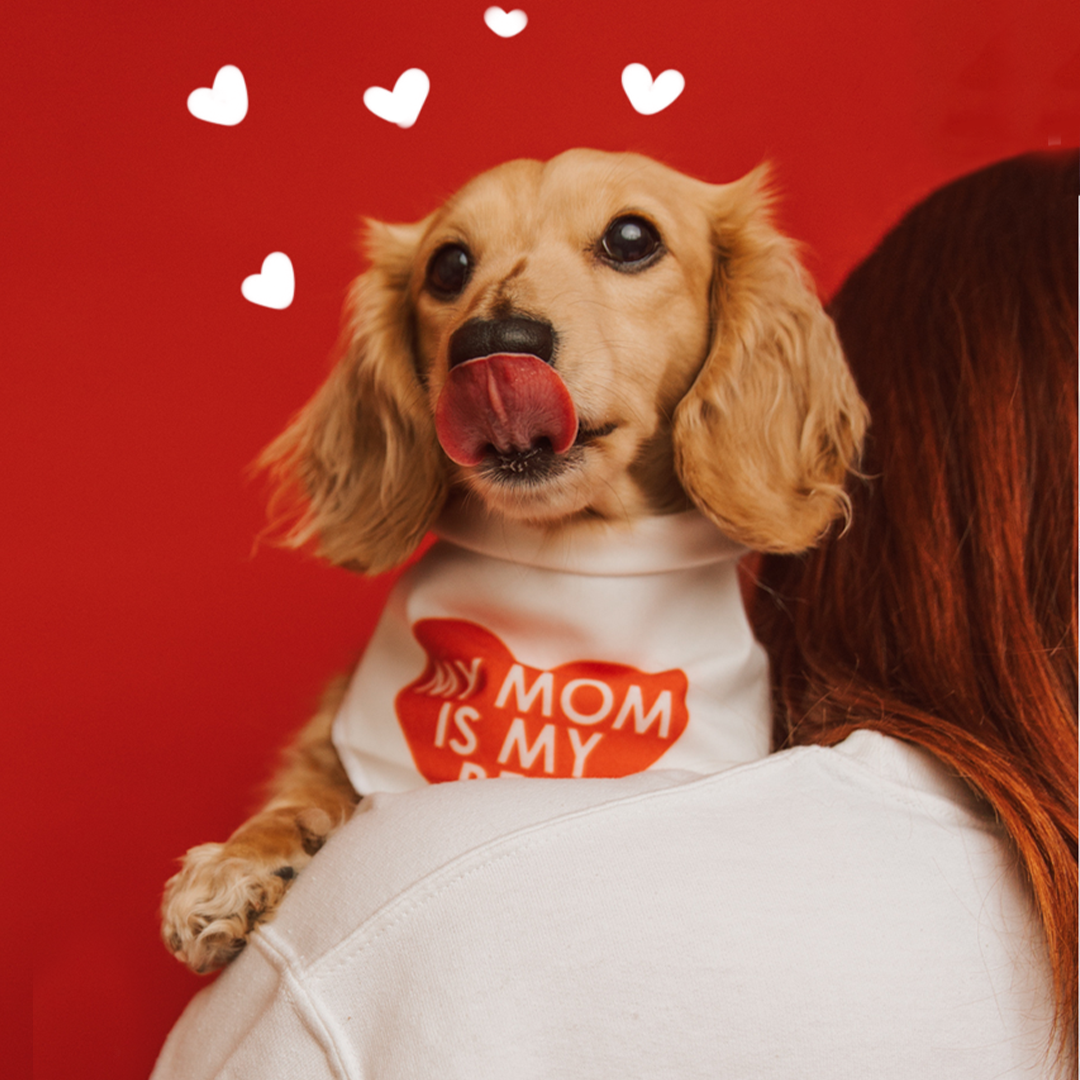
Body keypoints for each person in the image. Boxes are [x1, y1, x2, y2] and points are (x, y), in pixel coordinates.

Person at [150, 150, 1076, 1079]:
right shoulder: (368, 761)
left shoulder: (769, 769)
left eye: (627, 245)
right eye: (451, 272)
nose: (495, 324)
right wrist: (301, 821)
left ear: (726, 324)